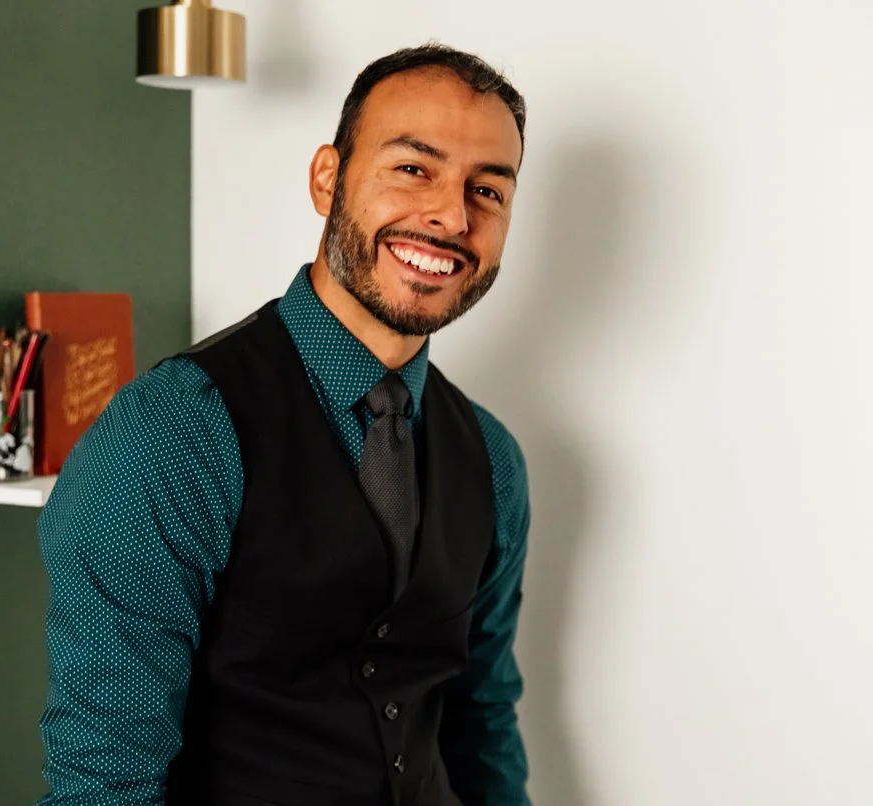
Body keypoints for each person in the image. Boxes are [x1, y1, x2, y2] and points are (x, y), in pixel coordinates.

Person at [37, 43, 530, 806]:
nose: (450, 215)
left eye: (488, 190)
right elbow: (105, 779)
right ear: (327, 178)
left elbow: (482, 723)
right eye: (413, 168)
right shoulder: (171, 432)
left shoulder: (493, 460)